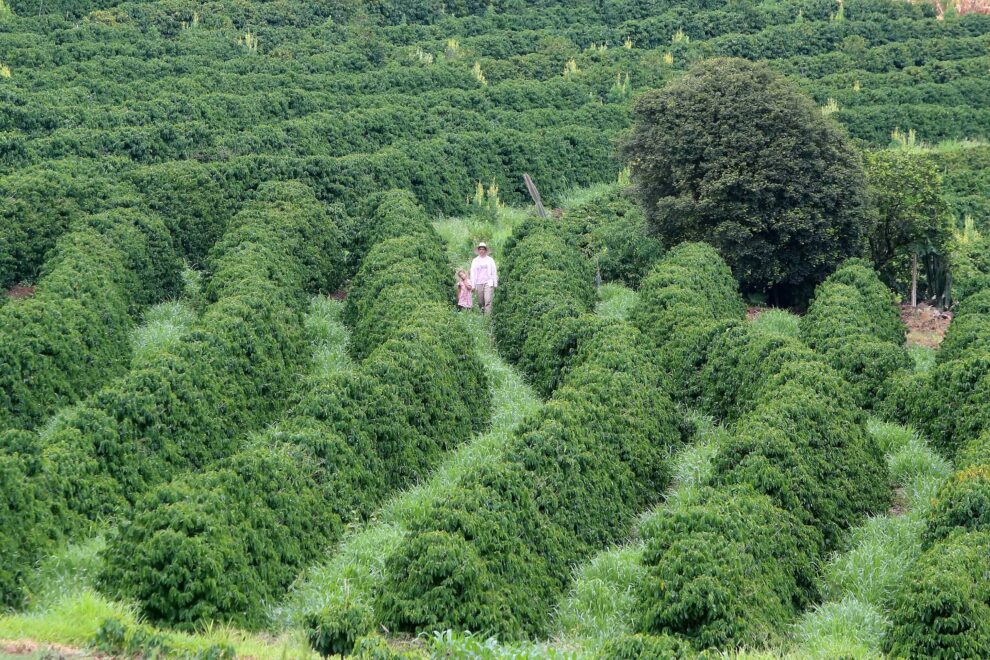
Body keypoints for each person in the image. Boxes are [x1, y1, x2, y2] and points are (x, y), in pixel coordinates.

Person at [470, 242, 498, 315]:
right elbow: (472, 273)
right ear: (478, 250)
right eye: (480, 249)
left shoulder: (490, 260)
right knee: (480, 302)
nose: (481, 251)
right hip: (479, 283)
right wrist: (473, 285)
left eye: (483, 249)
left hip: (488, 282)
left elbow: (494, 271)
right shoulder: (475, 260)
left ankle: (487, 318)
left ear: (485, 250)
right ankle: (482, 316)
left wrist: (495, 283)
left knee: (488, 300)